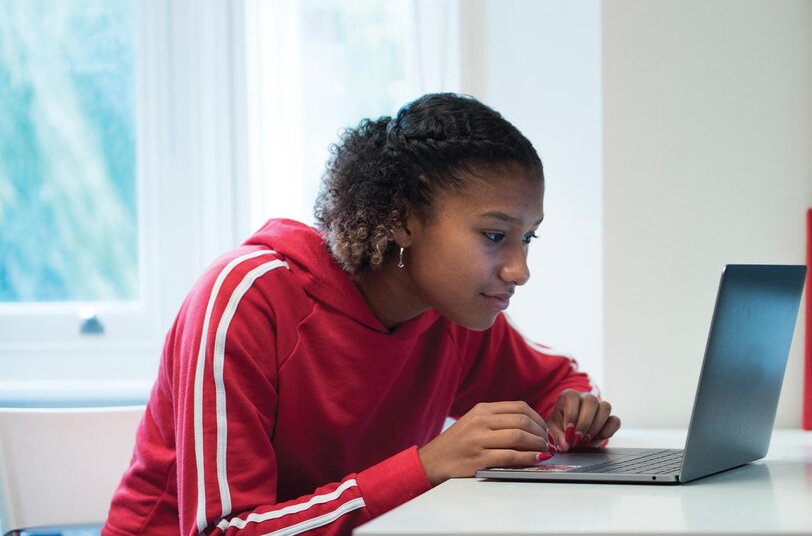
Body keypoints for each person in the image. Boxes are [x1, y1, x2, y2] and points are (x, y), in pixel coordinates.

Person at [103, 93, 619, 535]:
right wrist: (427, 467)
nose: (519, 269)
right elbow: (222, 531)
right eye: (493, 236)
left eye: (527, 238)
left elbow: (558, 386)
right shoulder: (249, 300)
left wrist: (574, 413)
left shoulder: (453, 315)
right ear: (401, 219)